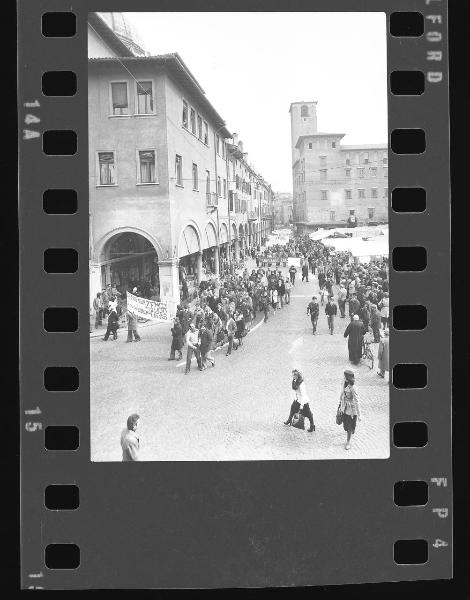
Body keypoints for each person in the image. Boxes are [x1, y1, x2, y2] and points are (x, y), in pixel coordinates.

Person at [338, 371, 362, 450]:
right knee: (345, 425)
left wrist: (359, 414)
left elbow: (357, 401)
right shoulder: (345, 383)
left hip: (351, 410)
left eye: (344, 377)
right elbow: (343, 393)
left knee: (349, 427)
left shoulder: (353, 387)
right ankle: (351, 430)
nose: (343, 378)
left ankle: (348, 442)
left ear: (348, 378)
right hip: (344, 407)